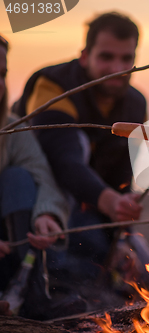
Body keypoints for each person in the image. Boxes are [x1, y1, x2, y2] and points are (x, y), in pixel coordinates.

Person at [13, 12, 146, 283]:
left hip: (91, 207)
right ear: (85, 56)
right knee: (80, 262)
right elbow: (63, 160)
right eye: (106, 57)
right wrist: (111, 202)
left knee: (146, 267)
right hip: (36, 198)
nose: (117, 68)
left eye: (126, 58)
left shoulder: (135, 103)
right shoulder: (53, 85)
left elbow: (122, 179)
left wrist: (122, 236)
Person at [0, 35, 78, 319]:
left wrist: (49, 216)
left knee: (18, 178)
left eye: (2, 74)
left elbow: (44, 178)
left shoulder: (11, 129)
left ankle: (32, 294)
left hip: (11, 251)